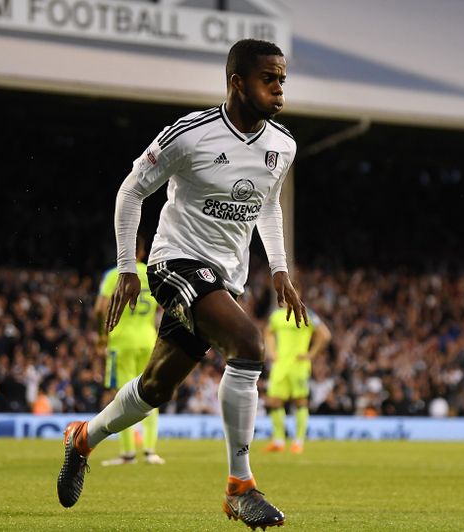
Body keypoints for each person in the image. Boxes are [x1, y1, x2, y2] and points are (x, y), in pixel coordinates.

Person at [57, 39, 307, 531]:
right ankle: (240, 487)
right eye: (269, 78)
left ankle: (82, 437)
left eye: (282, 78)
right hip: (176, 263)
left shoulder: (283, 146)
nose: (279, 88)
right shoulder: (190, 134)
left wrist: (280, 267)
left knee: (156, 387)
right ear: (237, 82)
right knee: (249, 343)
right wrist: (127, 266)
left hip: (225, 277)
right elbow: (132, 189)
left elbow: (269, 206)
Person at [93, 236, 165, 466]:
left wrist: (102, 335)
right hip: (147, 339)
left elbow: (98, 309)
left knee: (123, 395)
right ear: (143, 252)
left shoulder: (114, 275)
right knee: (150, 392)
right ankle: (150, 450)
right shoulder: (152, 274)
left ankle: (127, 453)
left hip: (121, 342)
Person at [263, 307, 331, 454]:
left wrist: (311, 354)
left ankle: (298, 441)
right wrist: (271, 351)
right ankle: (279, 440)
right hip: (280, 365)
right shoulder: (276, 315)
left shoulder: (307, 314)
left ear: (298, 293)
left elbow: (324, 334)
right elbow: (267, 332)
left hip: (299, 366)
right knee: (274, 401)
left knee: (300, 401)